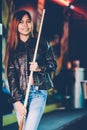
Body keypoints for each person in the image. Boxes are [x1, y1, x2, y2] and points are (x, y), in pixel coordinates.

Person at [4, 10, 57, 130]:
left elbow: (53, 64)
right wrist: (16, 102)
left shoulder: (41, 42)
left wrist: (39, 68)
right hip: (20, 94)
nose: (25, 25)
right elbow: (11, 76)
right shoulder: (13, 47)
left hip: (38, 92)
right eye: (21, 22)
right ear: (16, 25)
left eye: (28, 21)